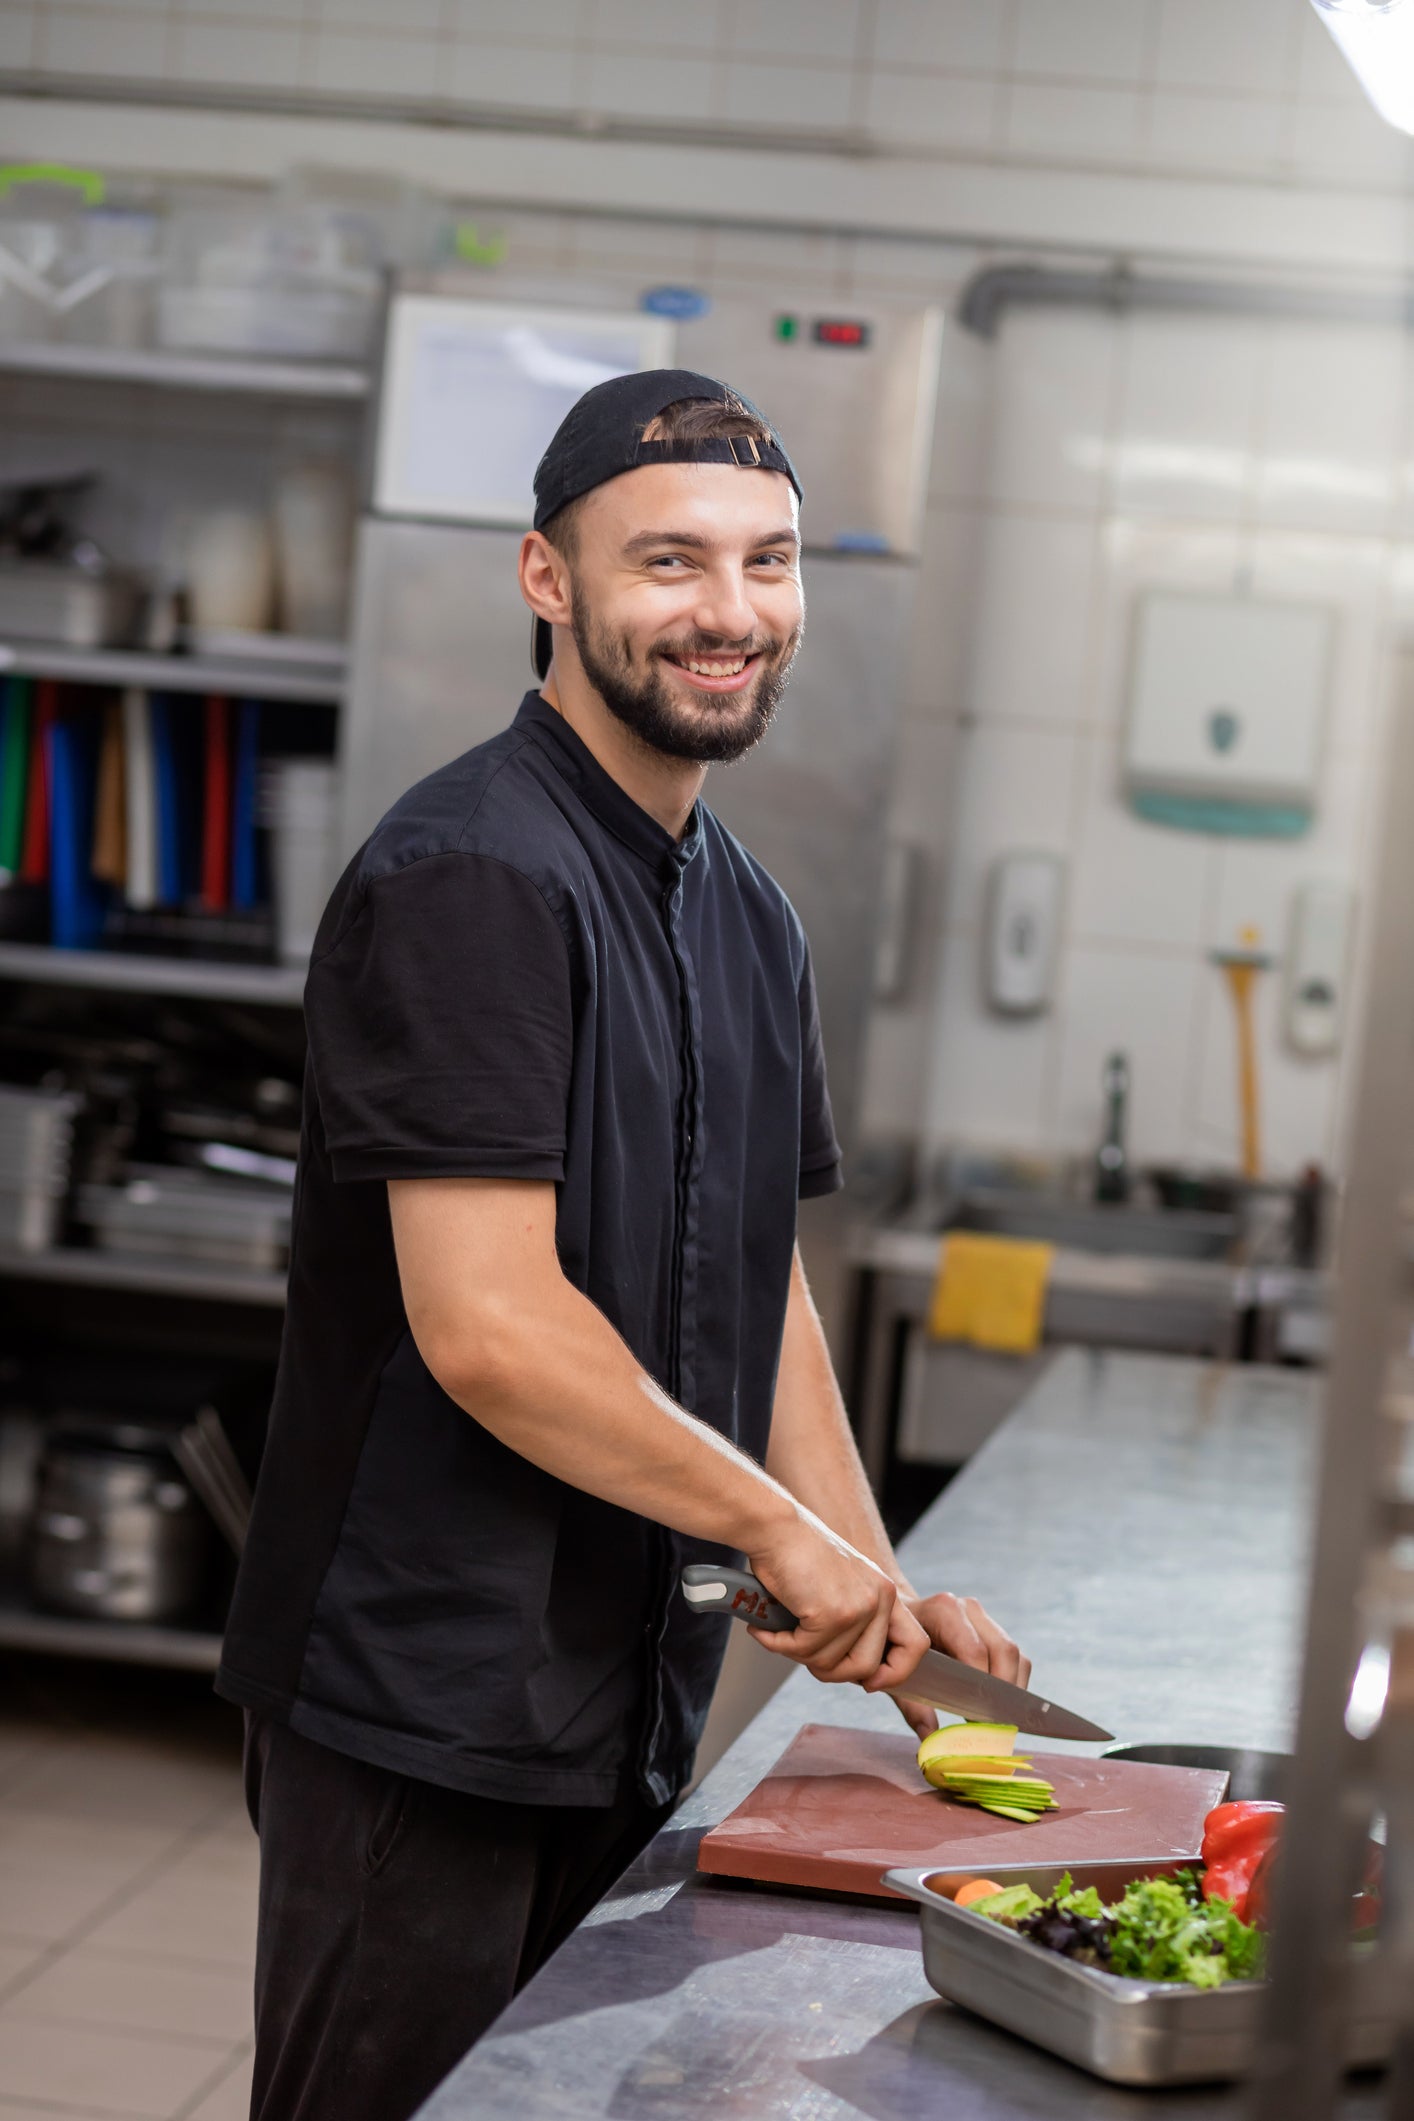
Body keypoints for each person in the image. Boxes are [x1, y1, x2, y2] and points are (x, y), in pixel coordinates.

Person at [217, 368, 1031, 2121]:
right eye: (668, 562)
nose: (728, 614)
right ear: (546, 576)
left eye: (767, 562)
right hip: (420, 1690)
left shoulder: (746, 907)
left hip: (619, 1680)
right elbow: (491, 1328)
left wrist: (879, 1602)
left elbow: (764, 1286)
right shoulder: (472, 877)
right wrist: (767, 1530)